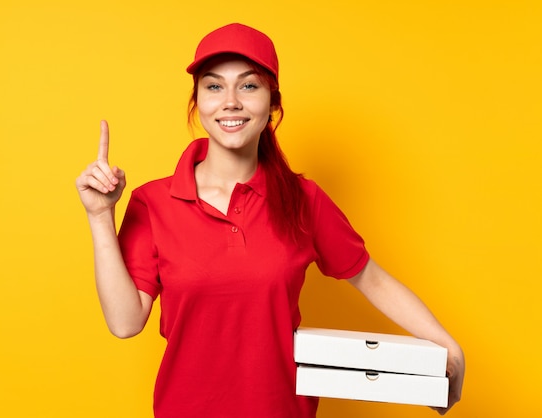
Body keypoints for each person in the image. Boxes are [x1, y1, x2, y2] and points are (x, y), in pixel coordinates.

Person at [76, 23, 464, 418]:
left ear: (273, 103)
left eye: (249, 86)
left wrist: (447, 346)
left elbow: (372, 279)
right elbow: (124, 323)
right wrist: (99, 215)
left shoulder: (303, 200)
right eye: (213, 86)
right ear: (197, 101)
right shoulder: (153, 203)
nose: (230, 101)